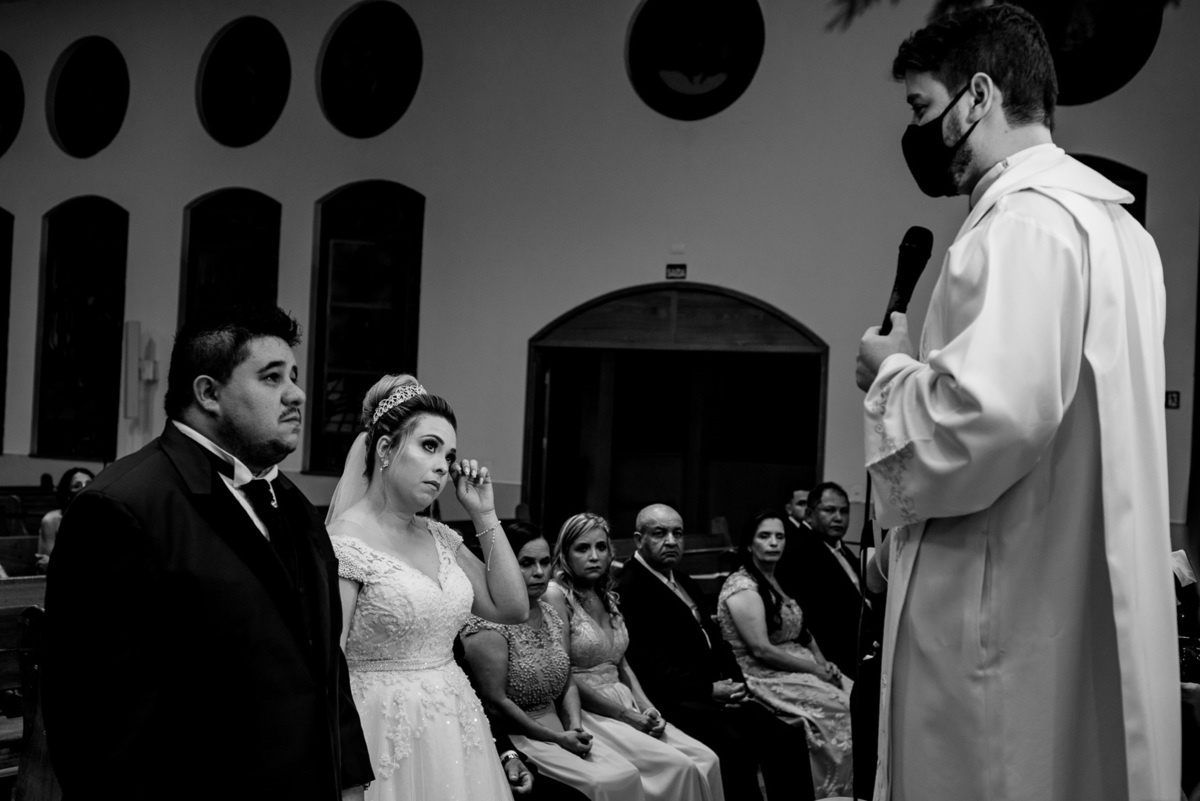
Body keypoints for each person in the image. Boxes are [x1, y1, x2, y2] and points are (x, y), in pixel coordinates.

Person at [855, 6, 1179, 800]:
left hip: (996, 615)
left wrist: (893, 373)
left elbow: (989, 418)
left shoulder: (1021, 224)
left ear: (978, 96)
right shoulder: (1120, 231)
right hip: (1063, 603)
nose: (920, 135)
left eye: (923, 109)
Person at [43, 305, 372, 800]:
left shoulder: (296, 505)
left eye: (295, 376)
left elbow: (323, 664)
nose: (297, 394)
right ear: (208, 393)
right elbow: (94, 720)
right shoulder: (122, 507)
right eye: (271, 377)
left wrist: (348, 777)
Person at [326, 373, 528, 801]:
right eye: (429, 446)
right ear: (385, 449)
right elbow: (330, 666)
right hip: (381, 731)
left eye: (449, 454)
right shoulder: (344, 544)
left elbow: (512, 608)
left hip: (456, 727)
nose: (443, 465)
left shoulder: (441, 537)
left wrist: (484, 515)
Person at [616, 503, 815, 801]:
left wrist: (737, 685)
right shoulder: (630, 588)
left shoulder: (682, 580)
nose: (671, 541)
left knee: (787, 735)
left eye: (677, 533)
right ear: (638, 539)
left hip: (716, 694)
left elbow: (718, 640)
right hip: (676, 699)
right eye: (660, 533)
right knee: (736, 745)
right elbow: (649, 664)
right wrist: (709, 690)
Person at [544, 512, 724, 801]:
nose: (594, 556)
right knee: (678, 767)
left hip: (626, 699)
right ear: (565, 554)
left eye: (601, 547)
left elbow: (622, 662)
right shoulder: (556, 595)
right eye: (582, 548)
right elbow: (563, 673)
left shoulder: (606, 593)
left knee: (706, 758)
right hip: (590, 709)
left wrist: (647, 707)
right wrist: (626, 715)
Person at [462, 521, 645, 801]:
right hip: (524, 737)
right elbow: (495, 701)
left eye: (545, 562)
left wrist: (574, 726)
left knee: (628, 775)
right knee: (600, 784)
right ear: (503, 566)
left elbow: (566, 675)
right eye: (525, 563)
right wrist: (556, 738)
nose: (539, 572)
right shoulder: (487, 624)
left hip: (563, 728)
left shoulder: (550, 610)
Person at [717, 510, 853, 798]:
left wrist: (822, 661)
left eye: (779, 536)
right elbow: (761, 650)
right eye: (764, 536)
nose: (774, 543)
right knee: (841, 708)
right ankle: (830, 792)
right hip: (762, 672)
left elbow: (803, 631)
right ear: (749, 544)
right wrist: (814, 670)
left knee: (858, 696)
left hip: (797, 662)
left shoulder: (777, 579)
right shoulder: (742, 586)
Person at [773, 483, 862, 681]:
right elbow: (810, 617)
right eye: (829, 510)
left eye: (844, 511)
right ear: (809, 515)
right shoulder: (798, 551)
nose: (838, 518)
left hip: (858, 648)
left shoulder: (843, 550)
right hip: (830, 656)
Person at [35, 466, 94, 571]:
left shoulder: (100, 518)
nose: (84, 488)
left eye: (89, 484)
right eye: (77, 486)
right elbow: (49, 562)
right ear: (67, 494)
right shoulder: (52, 520)